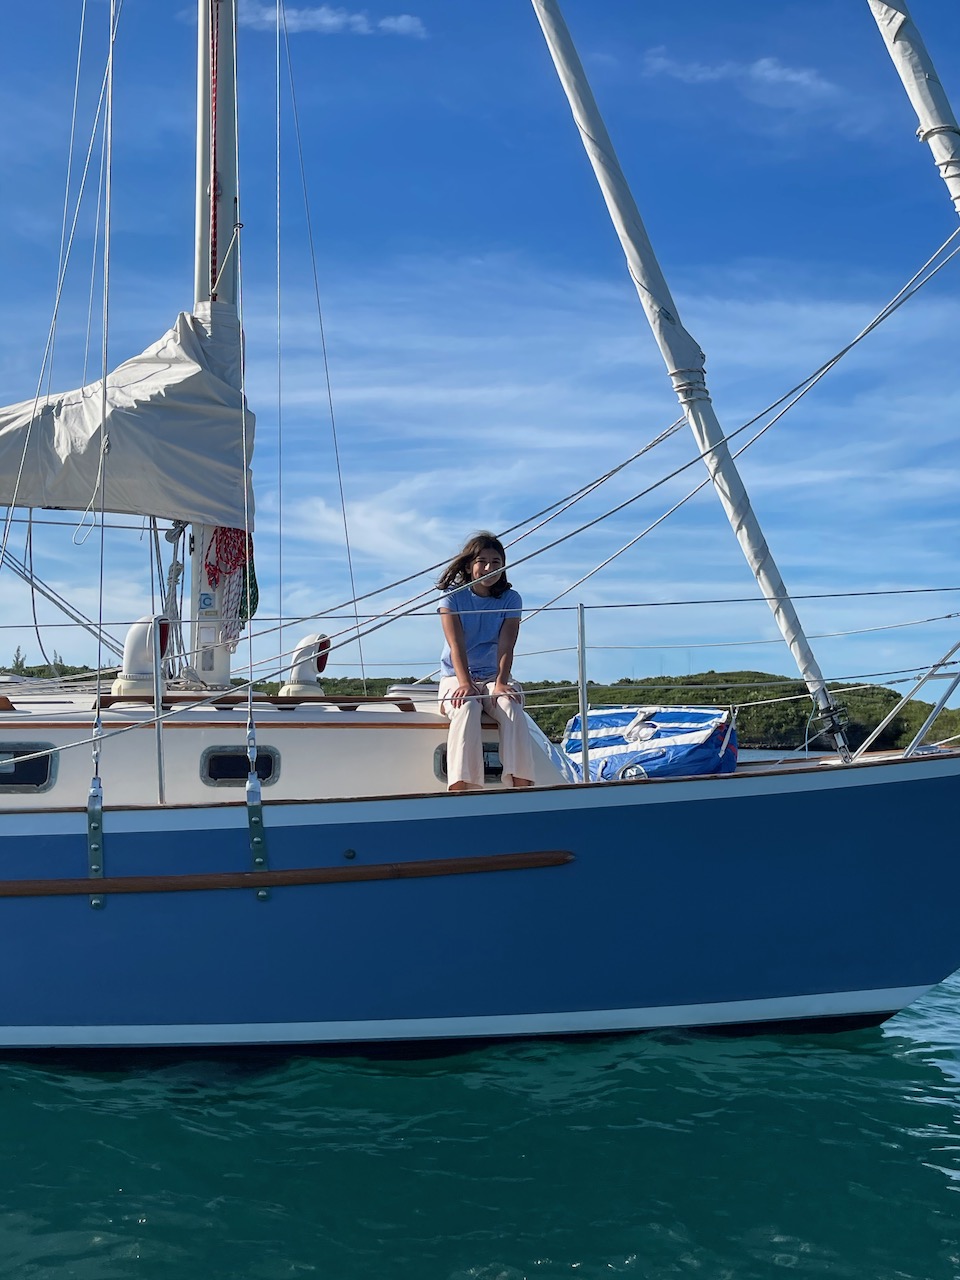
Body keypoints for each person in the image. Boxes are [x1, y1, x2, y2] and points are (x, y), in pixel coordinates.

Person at [437, 532, 536, 792]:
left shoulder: (511, 599)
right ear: (469, 565)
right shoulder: (451, 597)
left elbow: (507, 645)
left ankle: (521, 784)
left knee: (512, 706)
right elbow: (456, 645)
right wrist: (465, 683)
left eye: (496, 562)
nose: (489, 568)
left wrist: (501, 682)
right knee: (467, 707)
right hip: (456, 676)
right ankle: (463, 786)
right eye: (482, 561)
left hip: (494, 676)